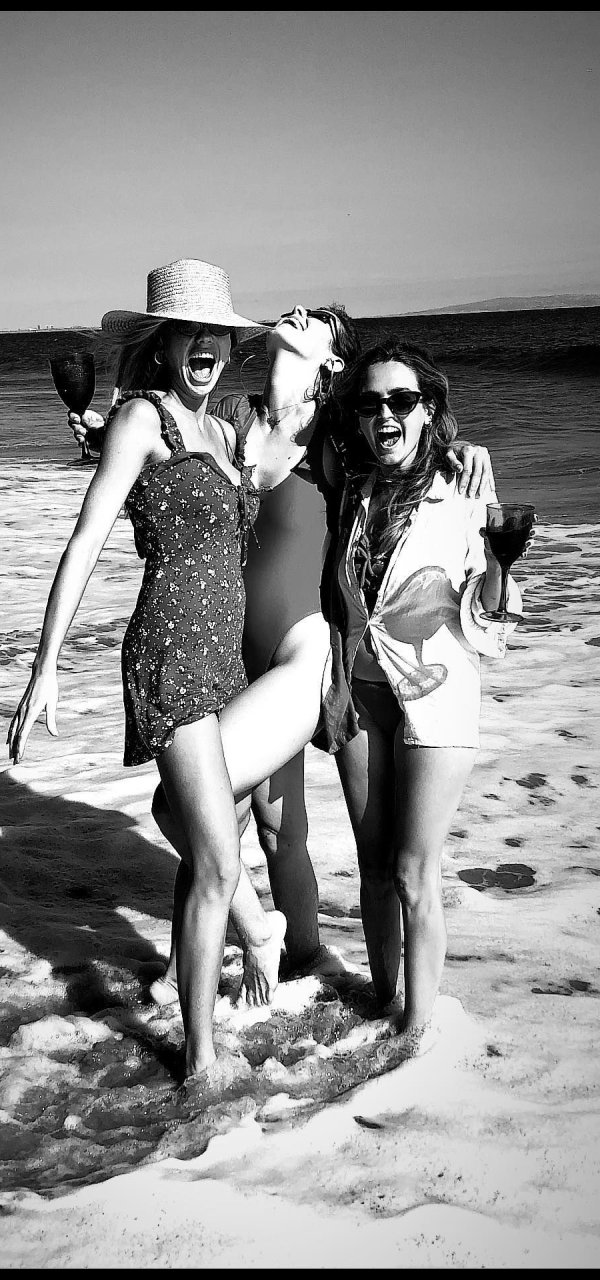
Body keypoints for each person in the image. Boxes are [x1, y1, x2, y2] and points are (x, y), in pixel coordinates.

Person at [71, 306, 497, 1010]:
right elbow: (173, 442)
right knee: (234, 821)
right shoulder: (232, 418)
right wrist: (106, 435)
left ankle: (294, 949)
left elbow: (400, 441)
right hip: (226, 649)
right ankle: (202, 965)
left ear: (332, 364)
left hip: (300, 651)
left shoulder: (333, 432)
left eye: (319, 322)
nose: (299, 314)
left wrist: (460, 448)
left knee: (247, 823)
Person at [8, 257, 289, 1084]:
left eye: (217, 334)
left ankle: (195, 977)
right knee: (219, 861)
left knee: (213, 843)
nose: (205, 346)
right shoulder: (143, 418)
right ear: (162, 345)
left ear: (229, 346)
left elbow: (300, 421)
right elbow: (85, 541)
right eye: (188, 333)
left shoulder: (225, 432)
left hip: (228, 659)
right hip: (169, 654)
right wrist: (46, 664)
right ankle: (200, 1058)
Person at [314, 338, 531, 1046]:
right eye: (370, 403)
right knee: (374, 868)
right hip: (358, 695)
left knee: (413, 873)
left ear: (428, 408)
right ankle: (382, 1004)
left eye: (402, 401)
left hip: (435, 699)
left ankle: (415, 1032)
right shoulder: (352, 485)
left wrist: (497, 565)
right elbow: (291, 416)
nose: (385, 415)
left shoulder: (464, 492)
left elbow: (494, 625)